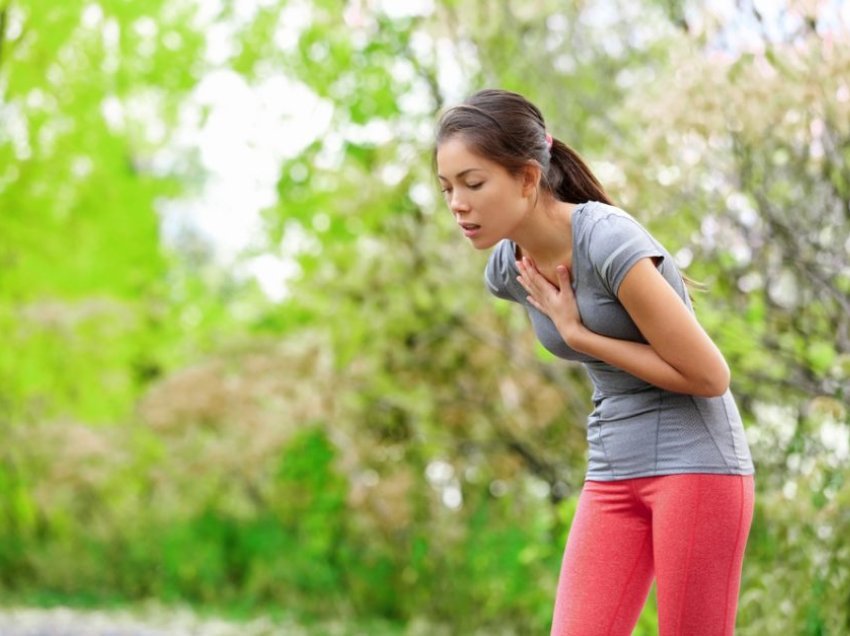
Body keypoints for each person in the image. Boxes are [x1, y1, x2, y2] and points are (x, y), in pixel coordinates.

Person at [434, 89, 755, 636]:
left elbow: (709, 376)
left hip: (696, 463)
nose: (457, 204)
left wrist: (580, 334)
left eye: (474, 183)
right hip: (611, 467)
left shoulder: (607, 240)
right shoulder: (506, 269)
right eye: (447, 188)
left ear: (529, 178)